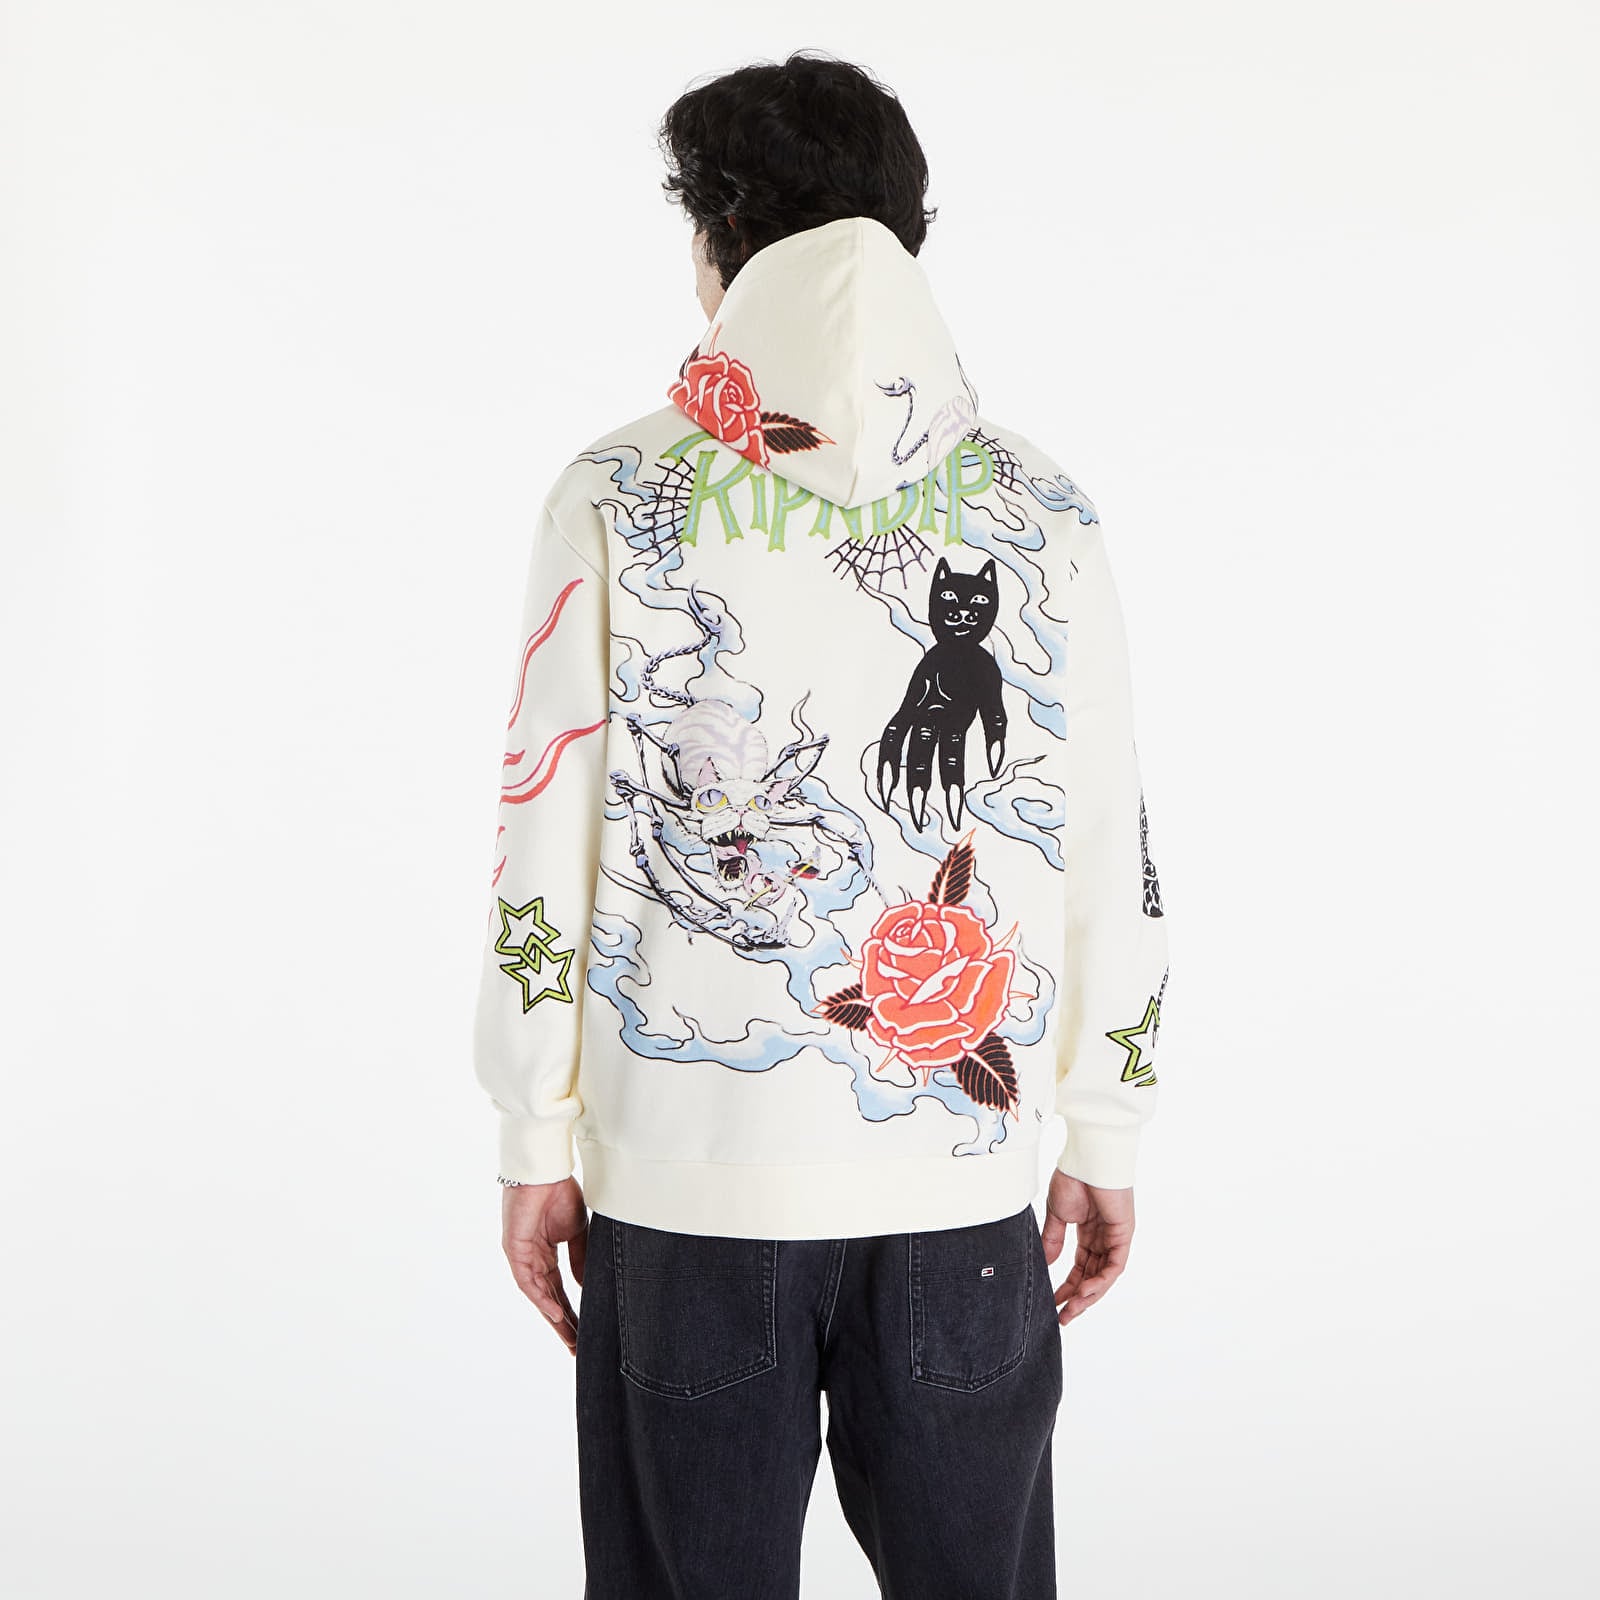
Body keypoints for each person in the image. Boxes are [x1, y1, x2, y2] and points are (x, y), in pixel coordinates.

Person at [472, 49, 1171, 1599]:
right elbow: (1109, 844)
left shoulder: (614, 493)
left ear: (717, 245)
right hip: (961, 1193)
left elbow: (543, 834)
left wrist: (534, 1131)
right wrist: (1105, 1124)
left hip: (685, 1183)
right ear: (908, 235)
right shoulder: (1045, 509)